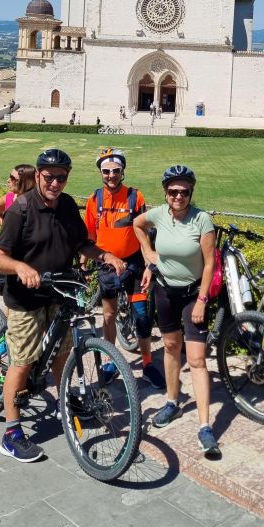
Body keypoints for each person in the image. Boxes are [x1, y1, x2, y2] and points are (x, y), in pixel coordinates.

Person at [0, 148, 125, 463]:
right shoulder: (20, 209)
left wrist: (105, 255)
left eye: (61, 177)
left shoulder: (66, 205)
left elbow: (81, 243)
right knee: (23, 362)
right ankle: (11, 434)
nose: (55, 183)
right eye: (49, 176)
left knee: (62, 354)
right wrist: (21, 268)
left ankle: (66, 398)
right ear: (37, 175)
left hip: (59, 292)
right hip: (26, 298)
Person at [133, 165, 221, 459]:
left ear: (191, 193)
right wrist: (148, 255)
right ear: (166, 193)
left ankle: (205, 426)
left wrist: (202, 300)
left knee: (196, 359)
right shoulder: (158, 214)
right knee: (171, 347)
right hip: (164, 291)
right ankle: (171, 401)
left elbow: (209, 263)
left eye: (184, 191)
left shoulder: (202, 220)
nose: (178, 196)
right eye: (173, 191)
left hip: (192, 294)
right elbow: (136, 223)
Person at [84, 148, 165, 390]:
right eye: (106, 171)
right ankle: (110, 361)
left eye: (116, 171)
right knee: (108, 315)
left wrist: (150, 263)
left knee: (141, 314)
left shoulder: (135, 197)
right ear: (100, 172)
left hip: (134, 263)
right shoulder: (94, 200)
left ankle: (148, 364)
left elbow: (145, 233)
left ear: (123, 172)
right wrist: (82, 264)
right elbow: (88, 236)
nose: (111, 175)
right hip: (107, 264)